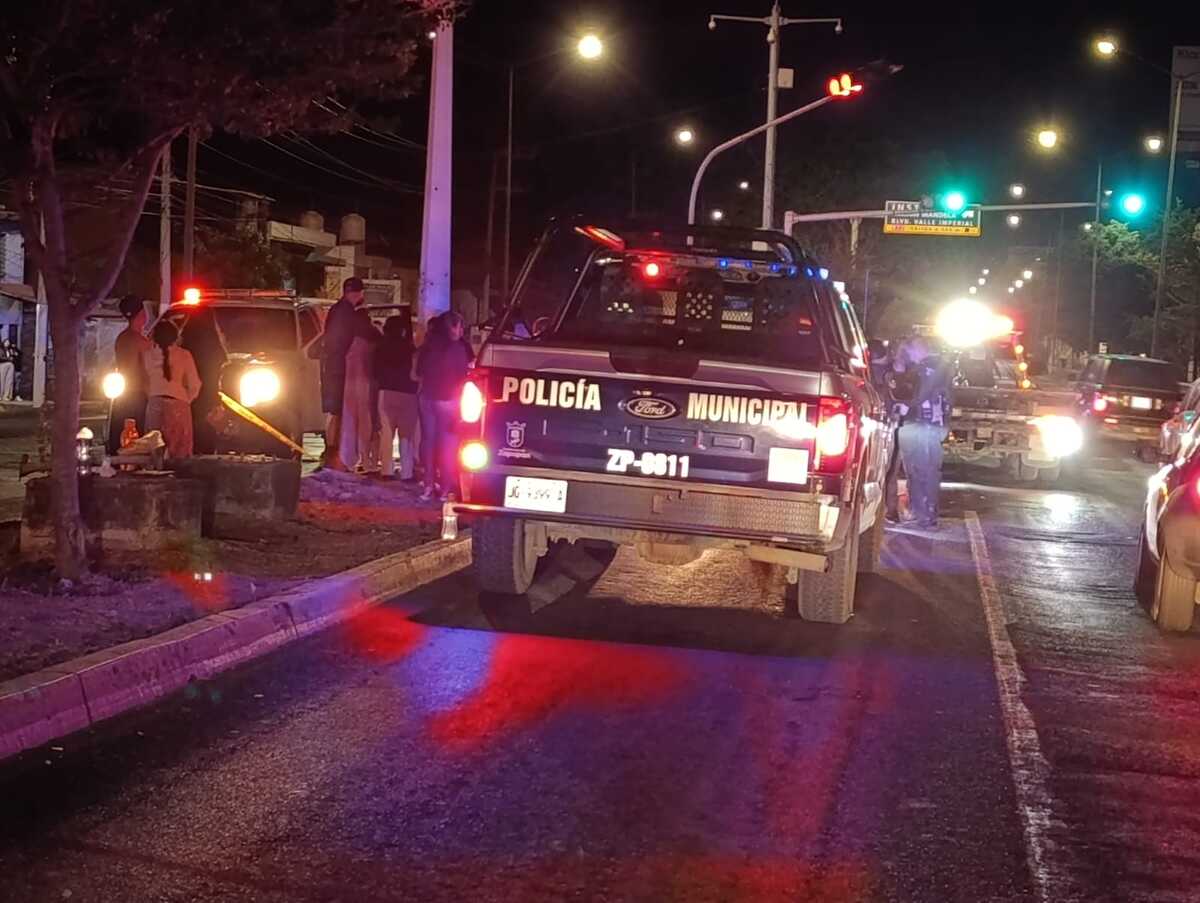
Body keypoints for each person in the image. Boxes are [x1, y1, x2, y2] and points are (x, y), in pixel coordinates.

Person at [895, 337, 954, 529]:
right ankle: (923, 514)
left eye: (909, 351)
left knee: (922, 471)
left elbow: (920, 395)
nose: (908, 356)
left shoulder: (928, 369)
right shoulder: (940, 367)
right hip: (930, 425)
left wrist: (905, 406)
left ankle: (924, 516)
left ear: (918, 349)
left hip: (922, 425)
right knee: (922, 471)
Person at [321, 277, 379, 471]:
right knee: (340, 413)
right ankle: (335, 453)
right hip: (342, 370)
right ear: (359, 293)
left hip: (333, 367)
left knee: (335, 412)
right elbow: (362, 336)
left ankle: (333, 452)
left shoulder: (336, 310)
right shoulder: (349, 314)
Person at [415, 311, 472, 501]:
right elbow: (464, 375)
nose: (461, 330)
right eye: (459, 326)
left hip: (427, 398)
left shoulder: (429, 346)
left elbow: (418, 372)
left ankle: (428, 485)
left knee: (428, 443)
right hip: (449, 400)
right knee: (448, 445)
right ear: (452, 328)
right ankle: (446, 488)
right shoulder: (458, 348)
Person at [143, 320, 202, 459]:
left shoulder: (147, 355)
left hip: (154, 404)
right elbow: (195, 384)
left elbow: (144, 382)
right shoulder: (184, 355)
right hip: (178, 404)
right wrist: (186, 399)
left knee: (154, 451)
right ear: (176, 336)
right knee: (180, 452)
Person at [375, 314, 419, 480]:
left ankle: (386, 470)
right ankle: (407, 472)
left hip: (386, 393)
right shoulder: (410, 349)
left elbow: (375, 371)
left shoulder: (381, 347)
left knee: (386, 433)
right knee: (406, 436)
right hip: (408, 395)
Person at [107, 296, 152, 454]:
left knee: (119, 431)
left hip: (122, 393)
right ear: (141, 314)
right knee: (136, 435)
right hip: (138, 393)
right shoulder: (141, 341)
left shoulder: (122, 338)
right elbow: (146, 369)